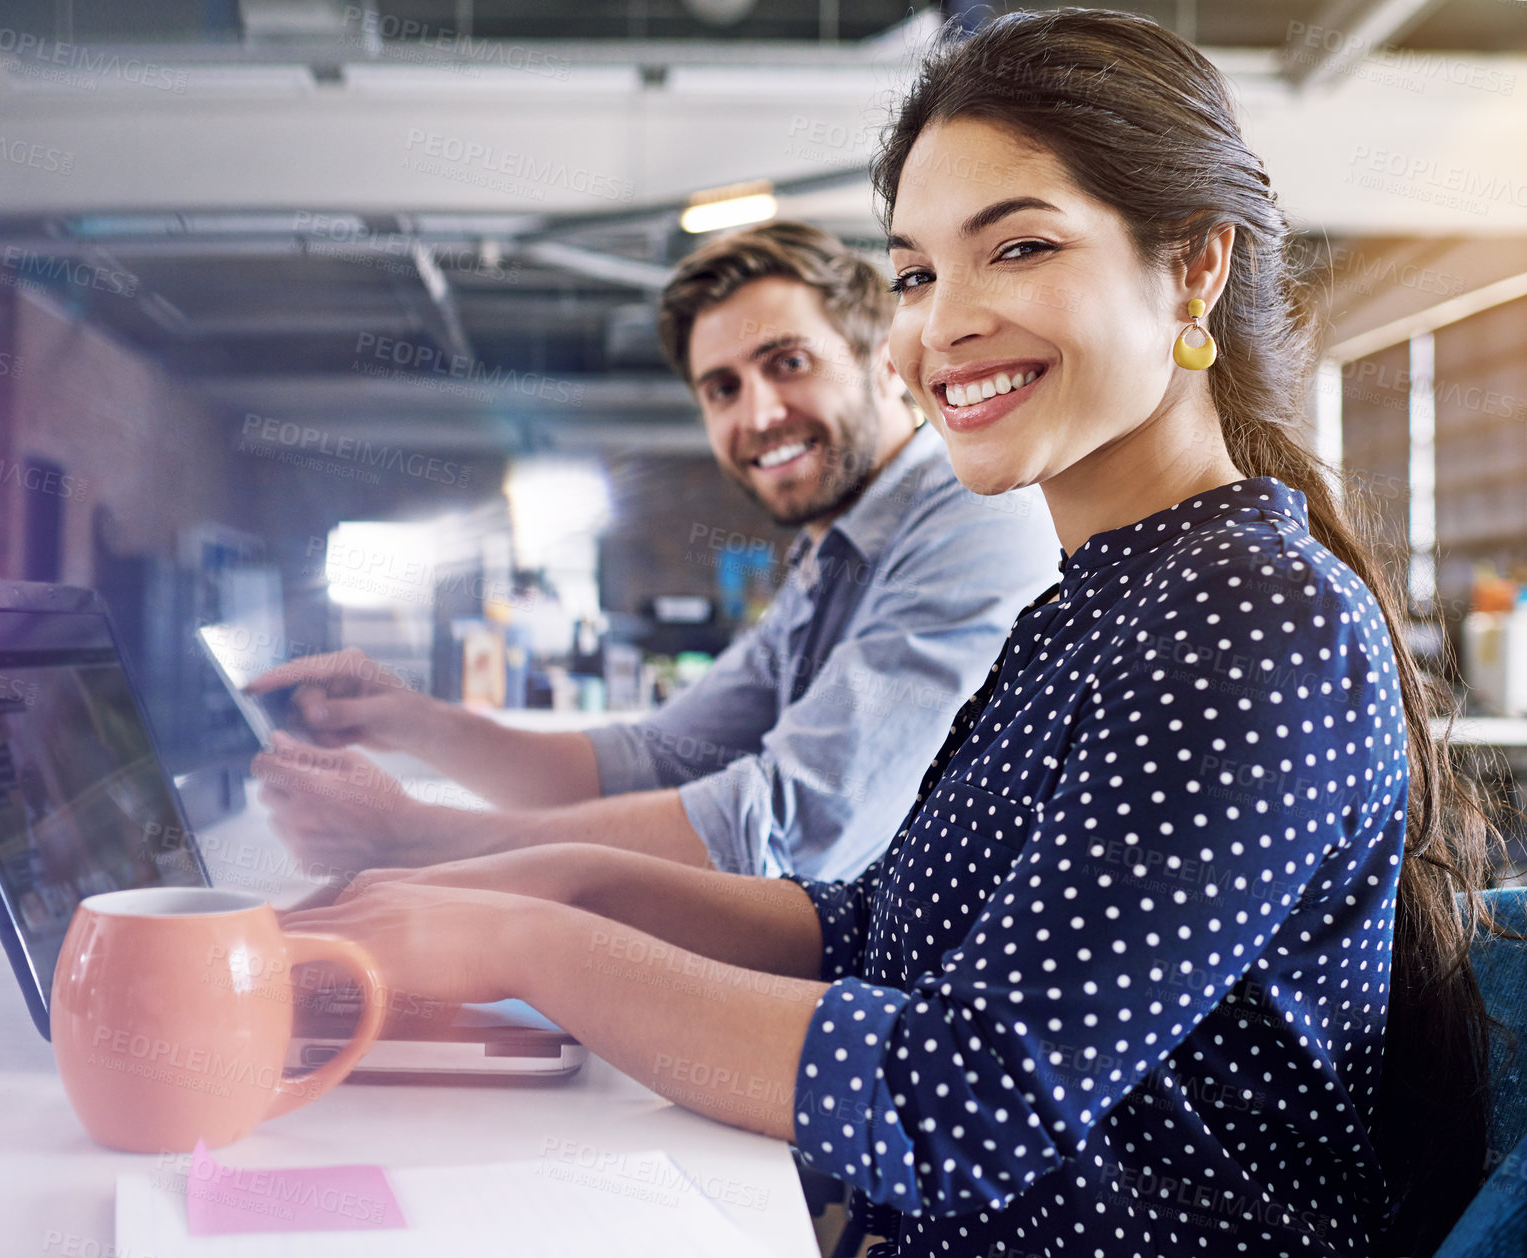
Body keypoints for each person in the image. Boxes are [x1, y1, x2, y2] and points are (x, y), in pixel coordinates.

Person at [283, 12, 1499, 1257]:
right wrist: (550, 882)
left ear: (1194, 269)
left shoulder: (1248, 618)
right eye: (916, 274)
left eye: (1016, 247)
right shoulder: (1103, 596)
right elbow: (873, 931)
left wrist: (521, 937)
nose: (942, 326)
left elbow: (956, 1106)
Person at [251, 221, 1057, 882]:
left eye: (788, 363)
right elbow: (650, 763)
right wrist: (408, 720)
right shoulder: (830, 561)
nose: (760, 412)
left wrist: (413, 839)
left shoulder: (974, 515)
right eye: (722, 389)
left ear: (885, 366)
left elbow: (791, 825)